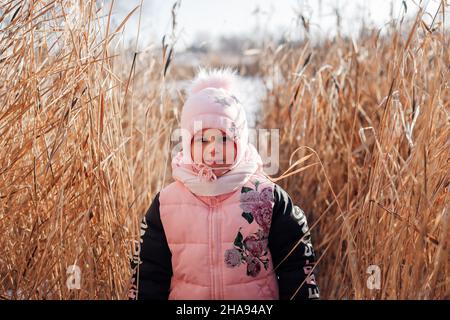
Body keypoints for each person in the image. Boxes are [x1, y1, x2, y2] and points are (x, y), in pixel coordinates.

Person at [128, 67, 320, 300]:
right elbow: (148, 274)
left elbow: (297, 266)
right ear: (187, 142)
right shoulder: (166, 204)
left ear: (240, 140)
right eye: (202, 139)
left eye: (225, 138)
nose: (214, 149)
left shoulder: (267, 197)